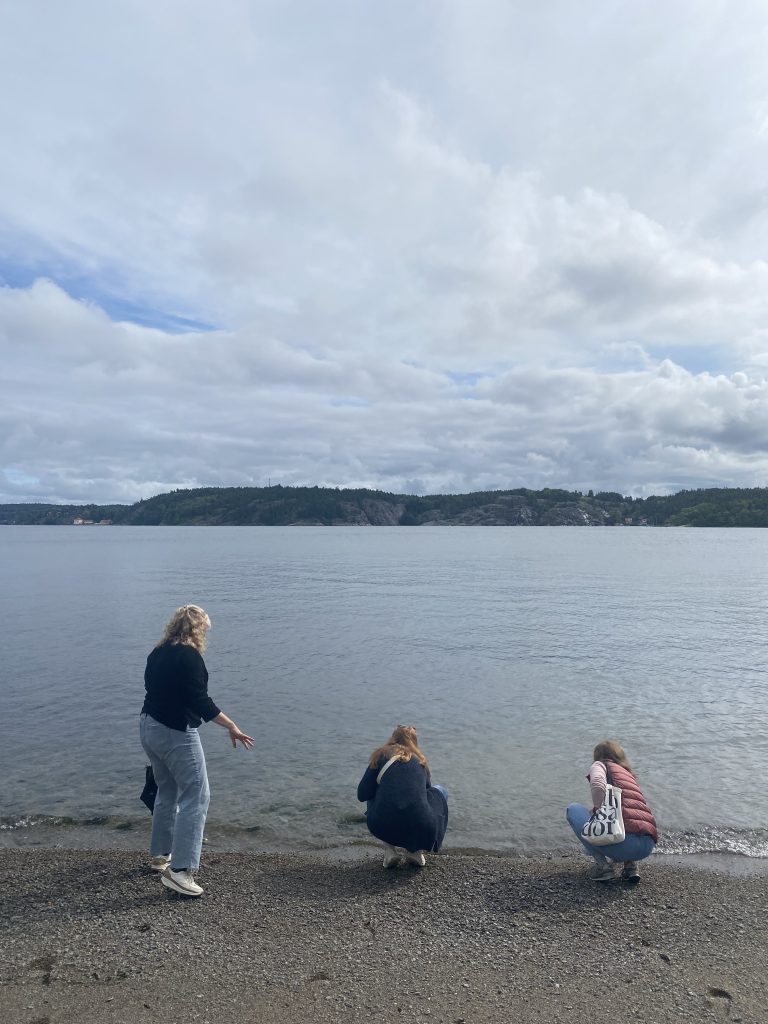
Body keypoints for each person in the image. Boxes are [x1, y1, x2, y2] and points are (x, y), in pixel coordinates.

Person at [139, 604, 253, 897]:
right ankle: (181, 871)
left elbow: (153, 689)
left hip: (148, 726)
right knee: (197, 795)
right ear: (198, 629)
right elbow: (201, 701)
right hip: (175, 732)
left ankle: (161, 856)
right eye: (205, 629)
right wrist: (232, 726)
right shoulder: (190, 657)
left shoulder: (158, 652)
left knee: (167, 791)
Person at [566, 739, 658, 884]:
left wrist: (598, 811)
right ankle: (630, 866)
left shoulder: (600, 765)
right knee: (629, 818)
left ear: (597, 756)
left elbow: (597, 785)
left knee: (573, 809)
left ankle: (603, 867)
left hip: (623, 845)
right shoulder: (629, 775)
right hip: (647, 846)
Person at [357, 725, 448, 868]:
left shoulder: (381, 756)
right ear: (414, 742)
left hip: (383, 825)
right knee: (440, 790)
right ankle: (415, 851)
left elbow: (362, 794)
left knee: (375, 791)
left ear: (392, 739)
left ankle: (390, 851)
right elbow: (426, 792)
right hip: (422, 825)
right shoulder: (420, 761)